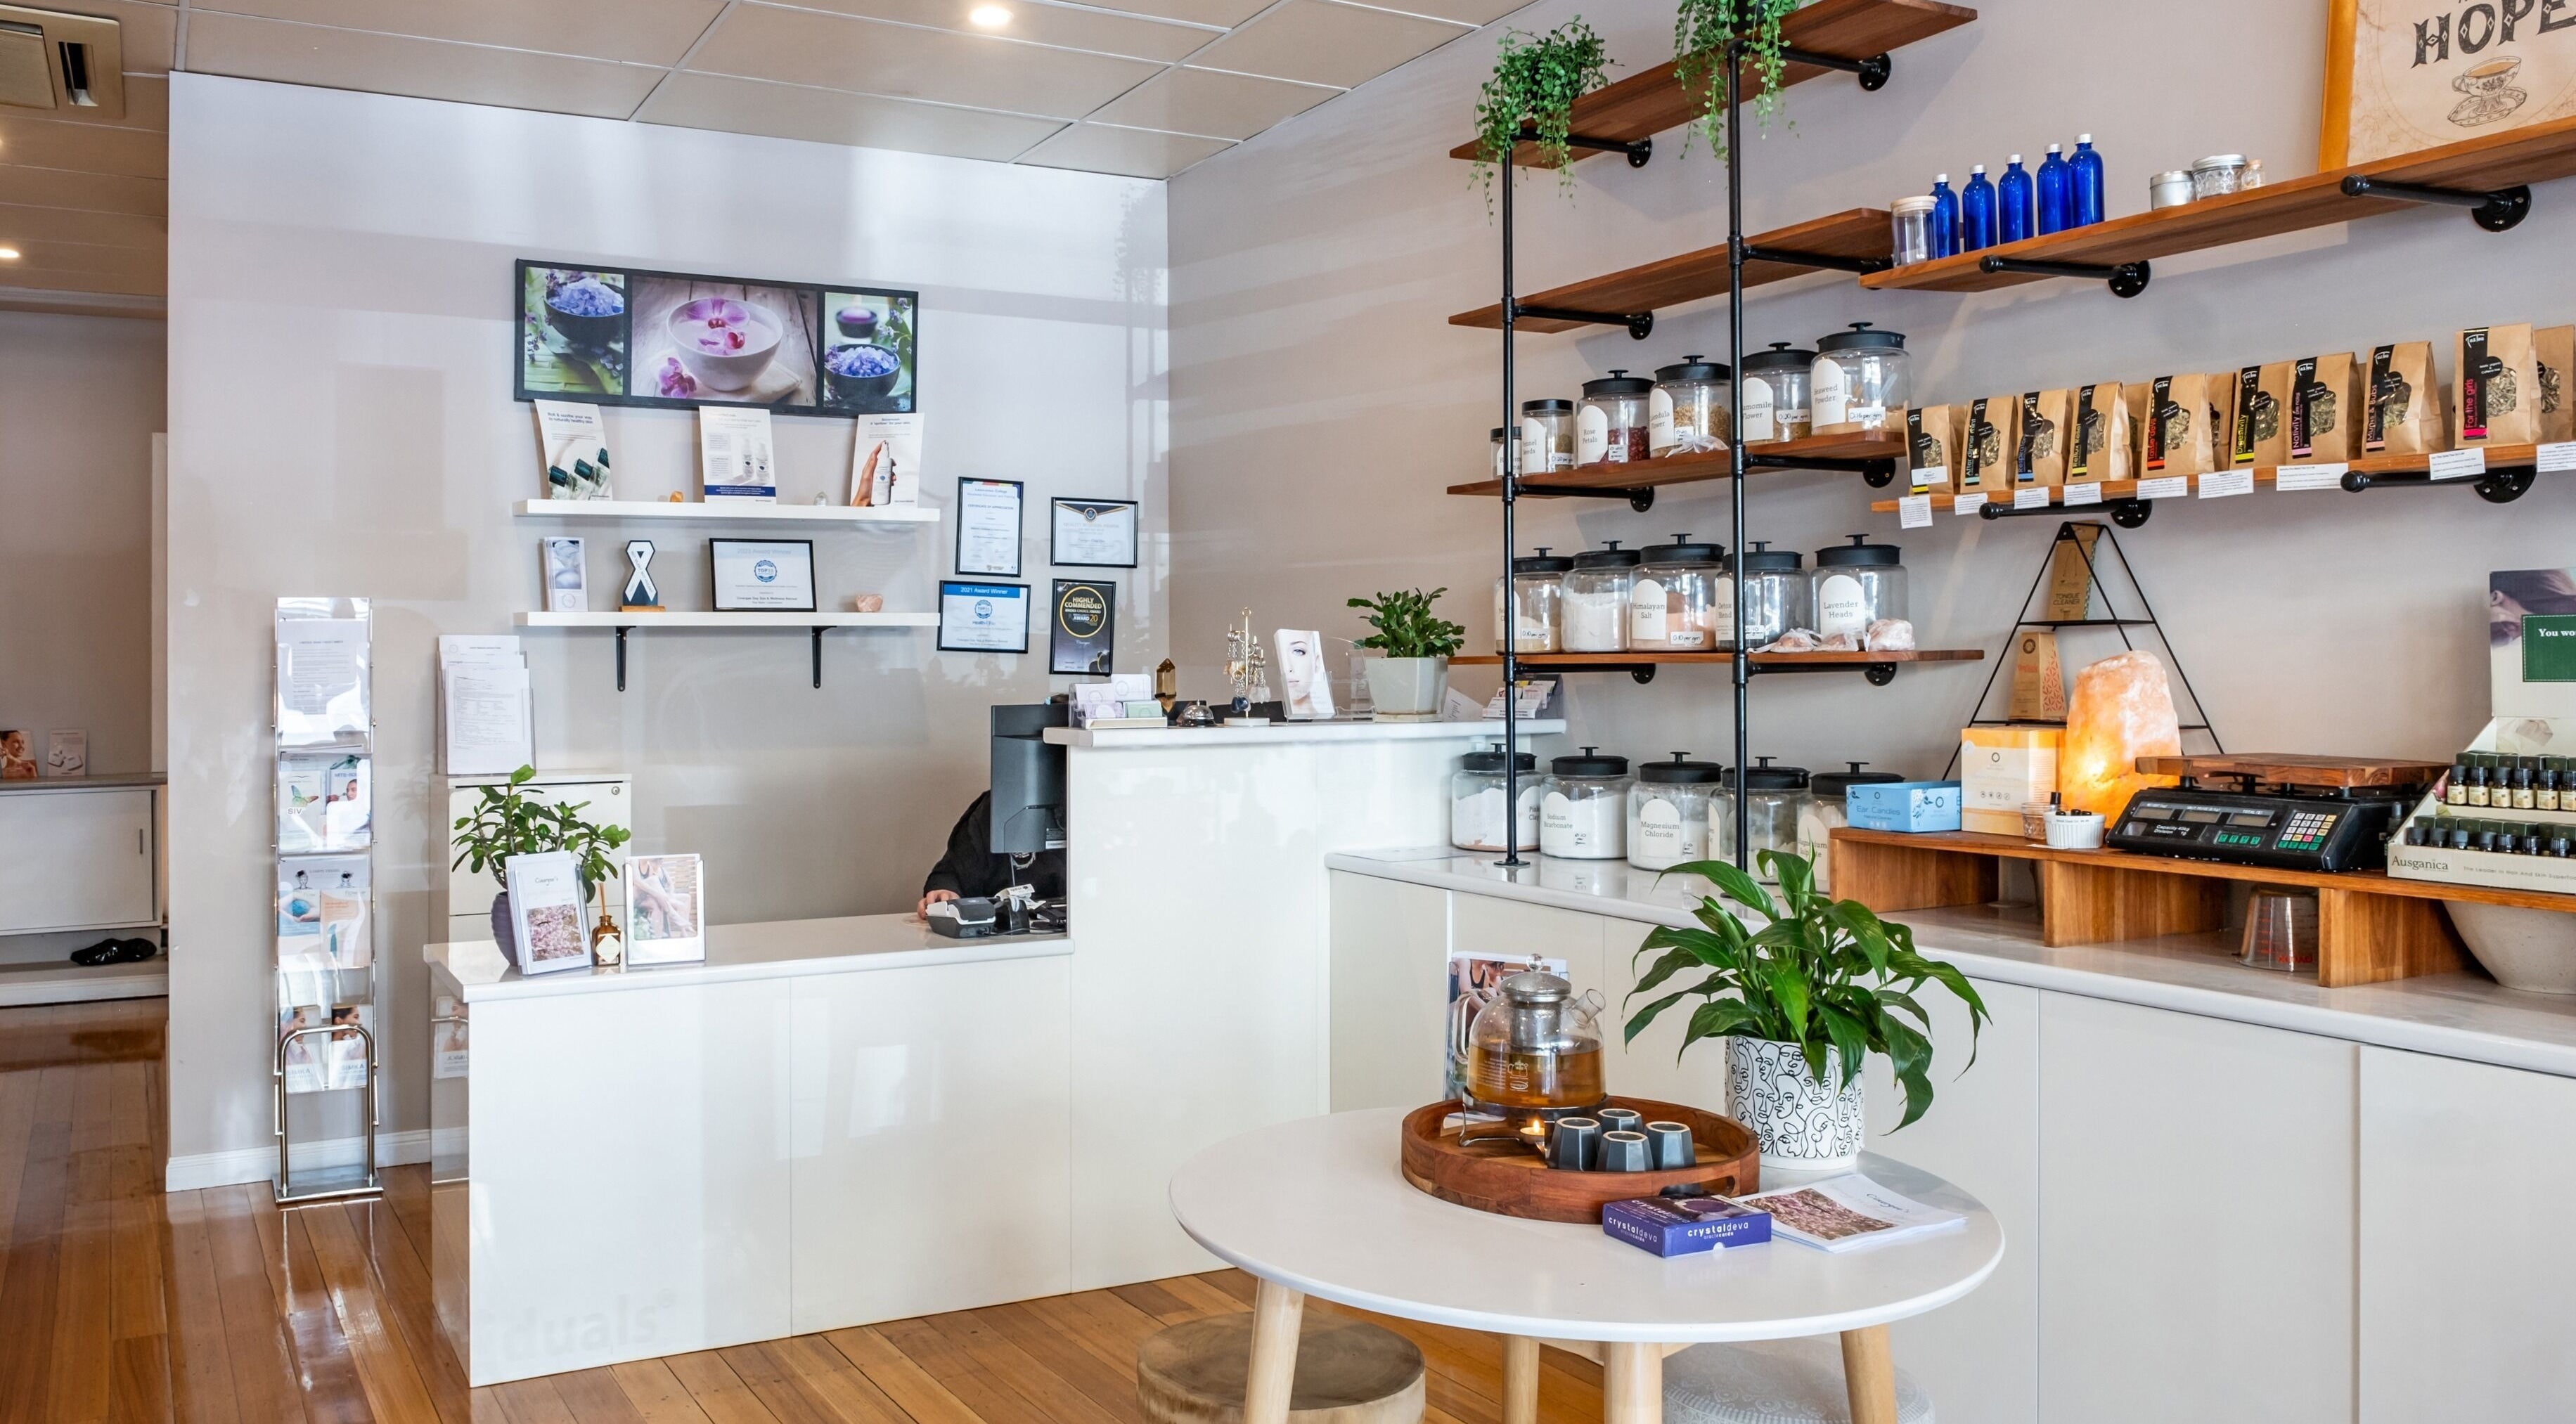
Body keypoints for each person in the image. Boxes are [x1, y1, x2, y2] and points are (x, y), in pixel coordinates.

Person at [917, 791, 1064, 917]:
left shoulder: (1081, 805)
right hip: (997, 936)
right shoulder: (992, 809)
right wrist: (946, 892)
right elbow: (950, 874)